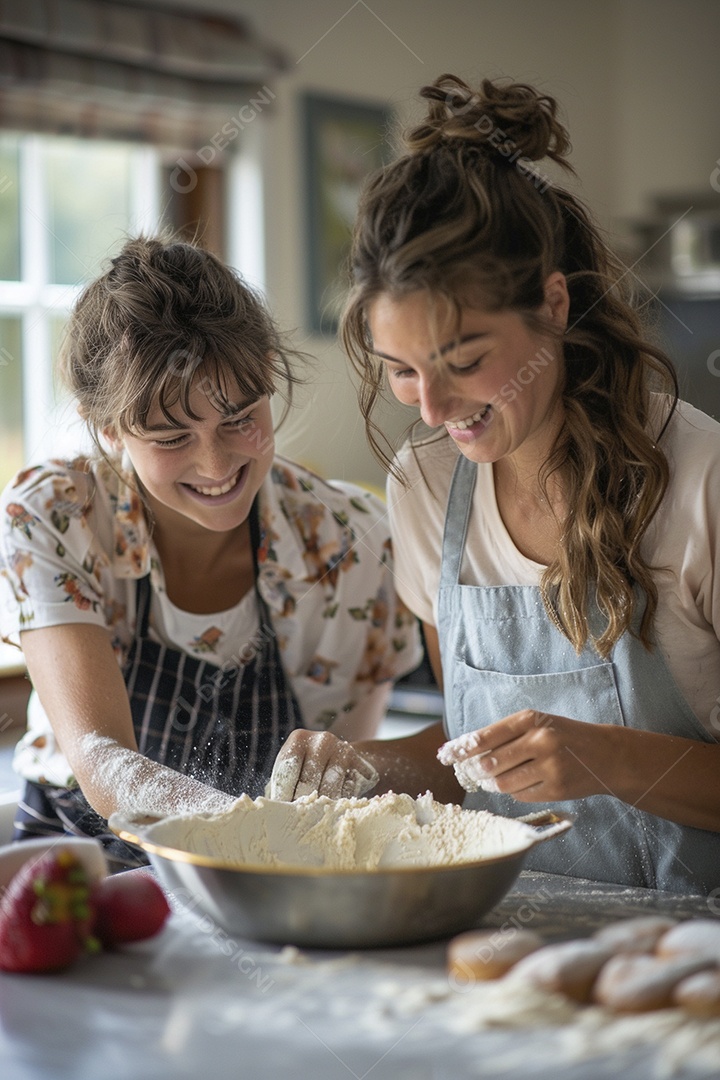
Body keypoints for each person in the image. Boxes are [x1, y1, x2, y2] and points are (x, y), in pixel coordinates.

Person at [271, 74, 720, 894]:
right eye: (402, 371)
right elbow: (471, 756)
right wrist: (366, 765)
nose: (436, 408)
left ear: (553, 306)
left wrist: (611, 757)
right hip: (509, 943)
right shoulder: (425, 485)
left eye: (466, 361)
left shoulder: (699, 479)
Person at [0, 234, 421, 869]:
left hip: (264, 875)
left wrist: (318, 810)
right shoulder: (56, 515)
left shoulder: (347, 539)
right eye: (172, 436)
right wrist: (246, 833)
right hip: (78, 862)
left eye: (240, 417)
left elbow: (335, 779)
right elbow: (99, 757)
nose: (217, 462)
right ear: (108, 428)